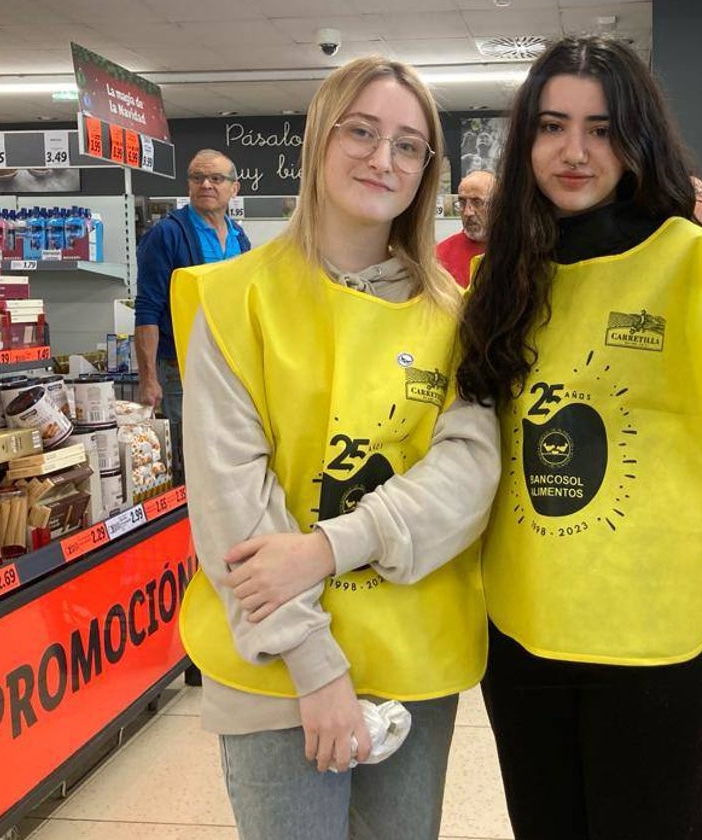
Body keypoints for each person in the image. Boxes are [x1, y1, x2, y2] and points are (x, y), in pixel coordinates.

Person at [172, 57, 498, 840]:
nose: (382, 159)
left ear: (427, 172)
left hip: (411, 658)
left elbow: (467, 476)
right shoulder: (233, 299)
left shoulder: (457, 317)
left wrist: (326, 547)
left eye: (409, 146)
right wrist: (312, 667)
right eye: (361, 131)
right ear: (320, 138)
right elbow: (230, 503)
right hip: (273, 659)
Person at [456, 36, 702, 840]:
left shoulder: (701, 269)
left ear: (637, 140)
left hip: (653, 632)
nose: (574, 151)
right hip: (523, 625)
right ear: (525, 137)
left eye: (601, 129)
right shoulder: (496, 278)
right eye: (553, 126)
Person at [135, 149, 252, 483]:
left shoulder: (239, 238)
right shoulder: (168, 234)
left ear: (234, 188)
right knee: (187, 457)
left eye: (216, 178)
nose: (206, 185)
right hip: (178, 368)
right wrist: (148, 377)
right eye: (197, 178)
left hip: (227, 366)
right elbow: (148, 308)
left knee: (224, 453)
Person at [436, 170, 495, 287]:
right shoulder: (439, 256)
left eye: (477, 202)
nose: (467, 212)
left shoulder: (519, 250)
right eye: (462, 202)